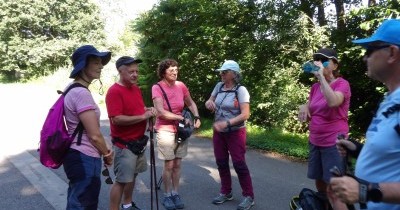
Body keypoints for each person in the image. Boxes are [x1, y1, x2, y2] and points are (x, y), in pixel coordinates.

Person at [329, 19, 400, 210]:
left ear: (392, 53)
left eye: (369, 51)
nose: (364, 58)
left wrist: (365, 191)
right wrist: (357, 149)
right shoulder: (390, 99)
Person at [298, 48, 351, 208]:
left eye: (324, 60)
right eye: (317, 60)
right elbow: (312, 110)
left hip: (334, 142)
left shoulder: (342, 84)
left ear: (335, 65)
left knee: (335, 188)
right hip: (315, 140)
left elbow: (333, 101)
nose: (319, 63)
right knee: (320, 182)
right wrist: (304, 107)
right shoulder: (315, 88)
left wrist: (321, 76)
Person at [63, 45, 114, 210]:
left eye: (101, 62)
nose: (101, 66)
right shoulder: (81, 93)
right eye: (96, 62)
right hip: (84, 156)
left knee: (76, 200)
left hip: (76, 155)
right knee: (84, 204)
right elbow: (94, 136)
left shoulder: (71, 88)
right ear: (83, 65)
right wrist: (107, 154)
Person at [106, 56, 157, 210]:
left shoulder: (135, 88)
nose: (135, 74)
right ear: (120, 71)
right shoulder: (114, 91)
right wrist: (143, 116)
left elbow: (137, 109)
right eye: (131, 71)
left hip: (138, 142)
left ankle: (127, 204)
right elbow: (117, 119)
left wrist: (147, 110)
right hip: (124, 144)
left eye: (136, 71)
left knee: (133, 176)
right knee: (121, 180)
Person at [151, 58, 201, 210]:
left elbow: (190, 102)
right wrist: (181, 118)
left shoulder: (181, 86)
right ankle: (167, 195)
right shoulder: (157, 87)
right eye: (171, 70)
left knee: (178, 163)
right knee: (169, 164)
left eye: (176, 69)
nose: (174, 72)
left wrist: (196, 116)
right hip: (165, 129)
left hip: (180, 130)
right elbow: (160, 112)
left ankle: (175, 193)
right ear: (163, 72)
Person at [205, 60, 255, 210]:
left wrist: (227, 123)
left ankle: (249, 196)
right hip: (219, 132)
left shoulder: (241, 90)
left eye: (224, 72)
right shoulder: (219, 86)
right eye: (221, 71)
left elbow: (246, 114)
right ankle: (226, 192)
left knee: (239, 164)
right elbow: (210, 100)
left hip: (235, 132)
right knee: (221, 162)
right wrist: (209, 103)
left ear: (234, 74)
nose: (221, 74)